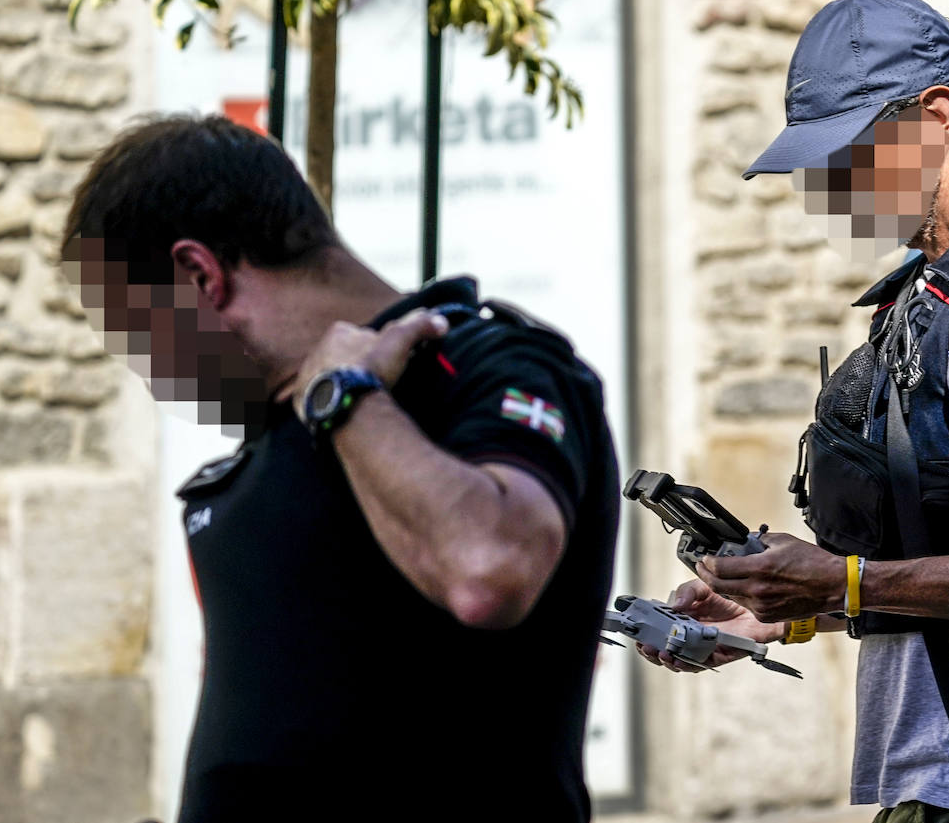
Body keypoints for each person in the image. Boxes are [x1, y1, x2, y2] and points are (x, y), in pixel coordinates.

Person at [639, 0, 949, 823]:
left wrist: (844, 578)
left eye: (848, 156)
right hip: (945, 778)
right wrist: (778, 611)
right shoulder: (936, 287)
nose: (831, 187)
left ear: (936, 117)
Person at [60, 115, 621, 822]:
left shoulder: (480, 365)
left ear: (198, 276)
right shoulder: (271, 436)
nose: (152, 376)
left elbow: (489, 567)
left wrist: (346, 400)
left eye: (140, 336)